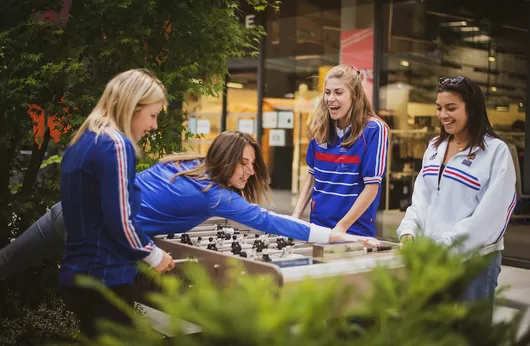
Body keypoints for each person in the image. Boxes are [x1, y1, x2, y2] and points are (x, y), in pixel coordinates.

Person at [0, 132, 381, 281]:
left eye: (253, 164)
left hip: (71, 212)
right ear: (226, 158)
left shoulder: (186, 163)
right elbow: (274, 223)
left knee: (10, 261)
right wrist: (334, 235)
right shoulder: (214, 195)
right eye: (243, 163)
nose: (249, 171)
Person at [58, 69, 174, 340]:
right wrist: (154, 255)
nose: (154, 126)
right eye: (153, 115)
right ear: (133, 106)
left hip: (77, 277)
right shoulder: (116, 145)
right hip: (105, 280)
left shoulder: (84, 139)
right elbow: (120, 219)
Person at [396, 76, 517, 304]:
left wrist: (445, 246)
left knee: (470, 336)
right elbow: (421, 199)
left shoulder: (495, 152)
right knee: (434, 334)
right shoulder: (434, 147)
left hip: (474, 264)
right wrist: (409, 230)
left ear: (471, 109)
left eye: (451, 108)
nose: (443, 115)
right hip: (431, 259)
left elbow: (490, 216)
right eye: (439, 108)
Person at [292, 64, 389, 237]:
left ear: (355, 95)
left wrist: (341, 228)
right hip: (318, 230)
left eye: (338, 92)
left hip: (352, 233)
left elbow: (372, 187)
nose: (330, 98)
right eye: (328, 92)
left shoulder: (374, 130)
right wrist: (295, 217)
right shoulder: (319, 127)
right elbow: (312, 176)